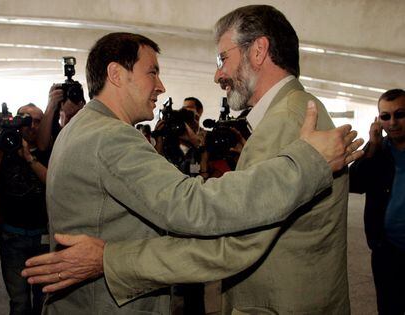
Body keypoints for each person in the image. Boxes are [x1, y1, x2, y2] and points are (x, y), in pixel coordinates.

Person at [21, 31, 362, 315]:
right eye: (152, 72)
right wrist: (306, 163)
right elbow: (193, 207)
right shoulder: (110, 136)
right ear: (116, 74)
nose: (161, 86)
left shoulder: (81, 127)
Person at [350, 88, 405, 315]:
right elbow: (355, 184)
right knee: (389, 308)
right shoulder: (377, 151)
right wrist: (372, 145)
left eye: (400, 114)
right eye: (385, 116)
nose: (392, 122)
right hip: (387, 250)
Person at [0, 103, 49, 315]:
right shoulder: (3, 148)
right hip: (12, 237)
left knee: (44, 301)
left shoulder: (47, 150)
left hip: (43, 237)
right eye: (26, 120)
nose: (32, 126)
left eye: (38, 121)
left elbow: (54, 183)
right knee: (19, 302)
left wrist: (28, 158)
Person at [36, 83, 85, 152]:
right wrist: (51, 106)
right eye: (69, 117)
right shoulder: (56, 130)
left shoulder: (88, 127)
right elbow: (42, 146)